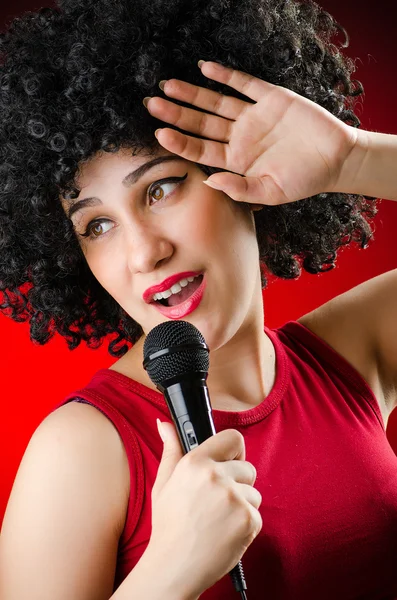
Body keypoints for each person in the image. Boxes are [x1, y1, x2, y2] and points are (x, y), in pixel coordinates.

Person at [0, 0, 396, 598]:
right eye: (97, 226)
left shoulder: (351, 353)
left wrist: (353, 159)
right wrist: (170, 572)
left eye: (161, 187)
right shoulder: (82, 449)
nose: (143, 254)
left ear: (245, 174)